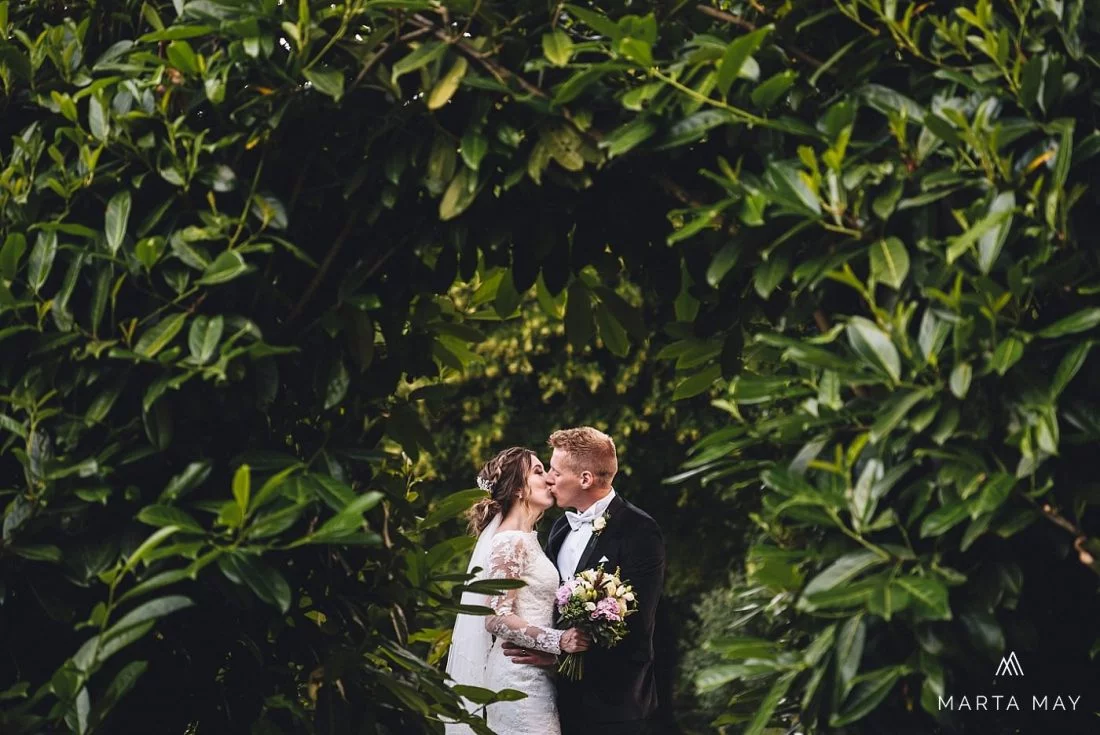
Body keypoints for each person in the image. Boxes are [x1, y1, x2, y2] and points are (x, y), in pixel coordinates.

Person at [503, 427, 667, 735]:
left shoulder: (639, 531)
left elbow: (636, 626)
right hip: (557, 701)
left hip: (615, 705)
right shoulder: (560, 529)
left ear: (586, 479)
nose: (549, 478)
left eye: (555, 471)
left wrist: (559, 658)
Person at [444, 447, 591, 735]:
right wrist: (560, 640)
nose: (549, 478)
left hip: (534, 675)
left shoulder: (527, 540)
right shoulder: (510, 541)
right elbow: (497, 618)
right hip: (517, 679)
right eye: (538, 471)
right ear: (518, 490)